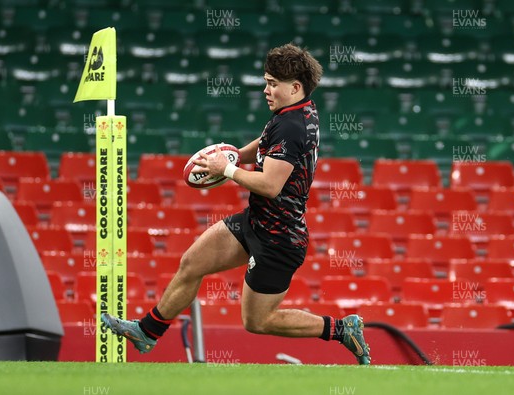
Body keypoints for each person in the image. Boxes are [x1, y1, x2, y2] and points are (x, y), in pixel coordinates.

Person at [102, 43, 371, 365]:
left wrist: (227, 170)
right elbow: (265, 145)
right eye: (266, 81)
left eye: (273, 84)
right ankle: (147, 331)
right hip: (255, 222)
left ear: (295, 87)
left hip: (279, 239)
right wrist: (229, 155)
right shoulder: (294, 112)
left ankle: (342, 328)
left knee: (257, 321)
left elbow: (271, 185)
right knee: (191, 263)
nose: (265, 89)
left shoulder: (293, 126)